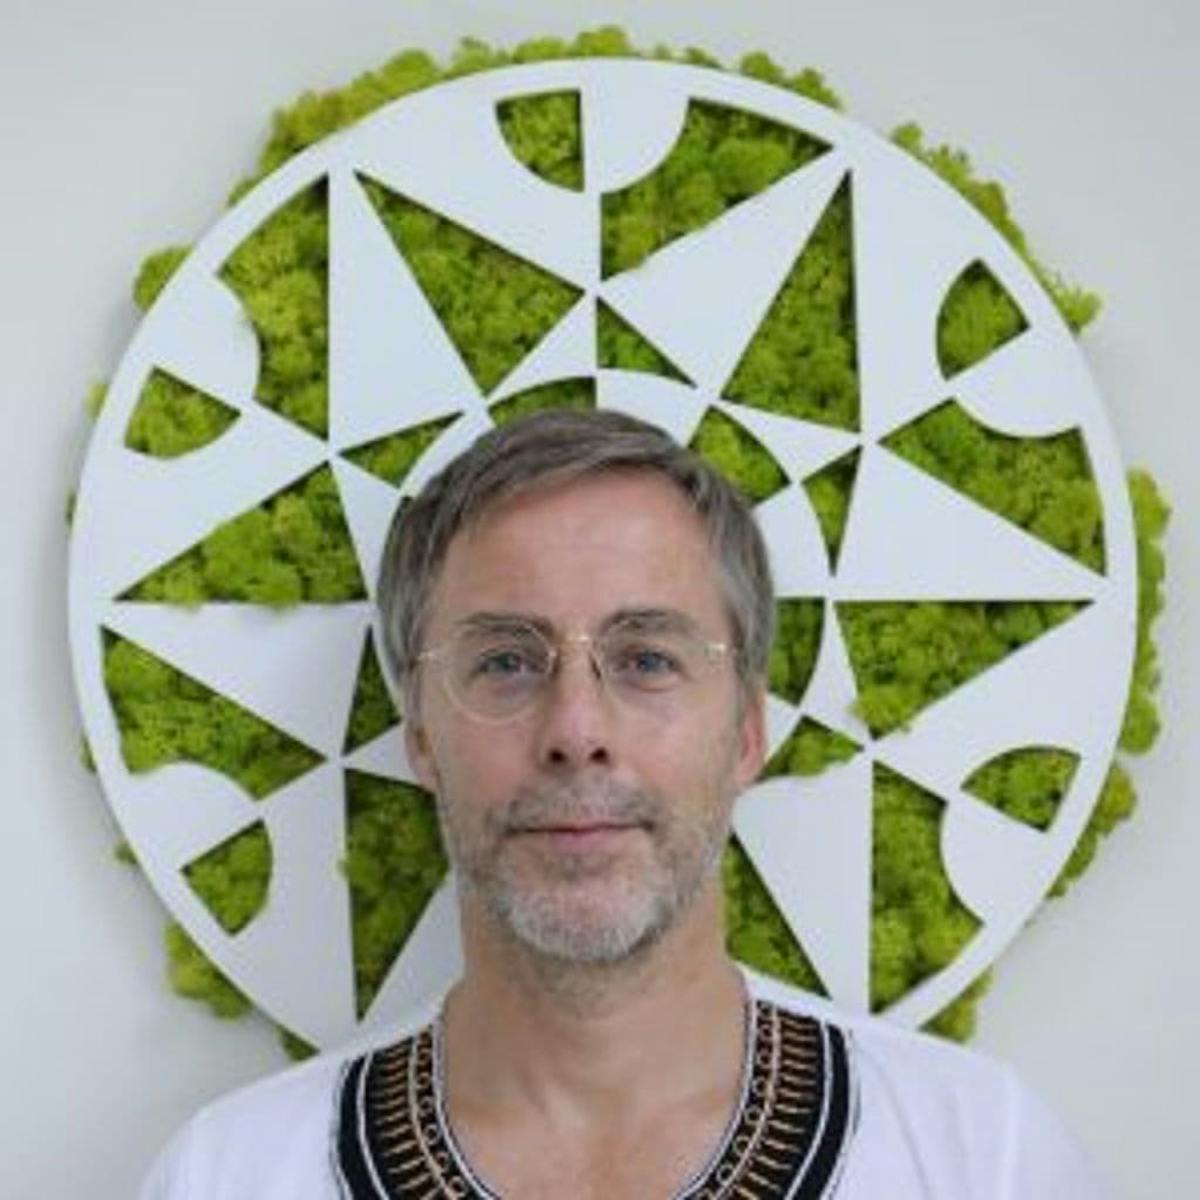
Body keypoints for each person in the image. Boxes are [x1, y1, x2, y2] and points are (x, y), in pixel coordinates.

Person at [140, 409, 1107, 1198]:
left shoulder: (983, 1158)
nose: (577, 728)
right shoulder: (229, 1178)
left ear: (747, 732)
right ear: (422, 736)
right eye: (505, 661)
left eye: (646, 658)